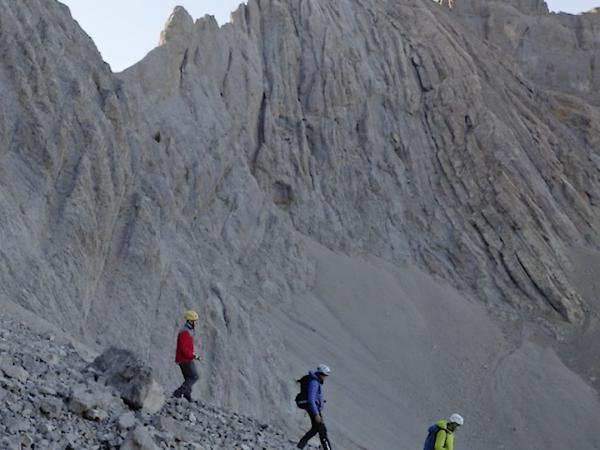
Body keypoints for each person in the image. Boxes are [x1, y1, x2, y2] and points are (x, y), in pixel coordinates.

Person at [296, 364, 332, 450]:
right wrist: (316, 414)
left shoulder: (316, 381)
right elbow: (311, 399)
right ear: (321, 374)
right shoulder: (314, 383)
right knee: (322, 430)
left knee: (316, 428)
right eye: (325, 375)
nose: (326, 377)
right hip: (312, 407)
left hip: (313, 407)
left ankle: (301, 445)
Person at [172, 310, 200, 402]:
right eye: (195, 321)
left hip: (185, 358)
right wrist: (193, 355)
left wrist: (193, 355)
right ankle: (178, 393)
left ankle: (187, 395)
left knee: (189, 377)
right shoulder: (184, 332)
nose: (196, 323)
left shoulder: (187, 331)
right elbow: (183, 348)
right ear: (190, 321)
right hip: (185, 359)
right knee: (194, 376)